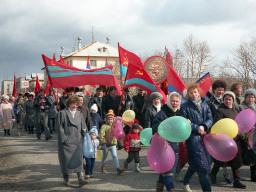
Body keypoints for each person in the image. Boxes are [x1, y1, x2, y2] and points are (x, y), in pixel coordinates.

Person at [181, 83, 213, 192]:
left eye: (195, 92)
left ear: (199, 92)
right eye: (191, 93)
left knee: (196, 164)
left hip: (205, 138)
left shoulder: (205, 104)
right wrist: (196, 127)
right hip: (193, 139)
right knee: (202, 168)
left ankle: (185, 182)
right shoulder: (184, 107)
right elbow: (184, 122)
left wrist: (204, 126)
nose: (193, 94)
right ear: (188, 95)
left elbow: (210, 118)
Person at [211, 91, 245, 189]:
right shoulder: (220, 110)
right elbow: (218, 123)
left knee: (236, 160)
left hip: (235, 139)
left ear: (233, 100)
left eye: (230, 99)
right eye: (226, 99)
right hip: (224, 139)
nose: (228, 101)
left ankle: (237, 181)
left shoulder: (235, 111)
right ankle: (213, 174)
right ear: (223, 100)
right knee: (220, 160)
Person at [56, 95, 89, 187]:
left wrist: (86, 135)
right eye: (72, 104)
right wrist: (64, 139)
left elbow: (83, 126)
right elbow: (59, 127)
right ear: (68, 104)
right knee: (65, 160)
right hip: (66, 142)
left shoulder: (79, 113)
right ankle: (66, 177)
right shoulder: (62, 113)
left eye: (75, 104)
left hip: (77, 141)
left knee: (79, 160)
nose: (74, 106)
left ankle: (81, 179)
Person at [152, 92, 182, 192]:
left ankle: (159, 188)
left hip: (175, 147)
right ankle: (171, 189)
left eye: (177, 101)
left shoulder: (179, 113)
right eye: (173, 101)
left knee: (164, 170)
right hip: (164, 147)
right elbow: (155, 130)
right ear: (169, 101)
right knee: (168, 171)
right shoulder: (162, 113)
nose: (174, 103)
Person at [206, 80, 231, 183]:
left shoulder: (227, 101)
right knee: (215, 154)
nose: (220, 92)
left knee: (222, 153)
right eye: (218, 90)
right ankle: (218, 174)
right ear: (214, 90)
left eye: (222, 90)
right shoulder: (209, 102)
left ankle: (217, 173)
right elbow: (208, 118)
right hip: (213, 132)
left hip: (225, 132)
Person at [237, 88, 256, 182]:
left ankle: (254, 174)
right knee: (247, 154)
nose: (250, 99)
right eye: (249, 97)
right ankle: (236, 177)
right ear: (245, 97)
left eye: (252, 97)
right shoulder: (241, 107)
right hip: (246, 134)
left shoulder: (255, 106)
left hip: (255, 133)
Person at [99, 109, 124, 175]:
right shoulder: (104, 126)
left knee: (115, 156)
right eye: (109, 119)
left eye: (111, 119)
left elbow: (119, 130)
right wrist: (103, 143)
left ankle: (118, 168)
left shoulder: (115, 126)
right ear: (106, 120)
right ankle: (102, 166)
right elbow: (101, 135)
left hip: (113, 144)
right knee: (104, 157)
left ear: (113, 120)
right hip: (106, 145)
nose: (110, 120)